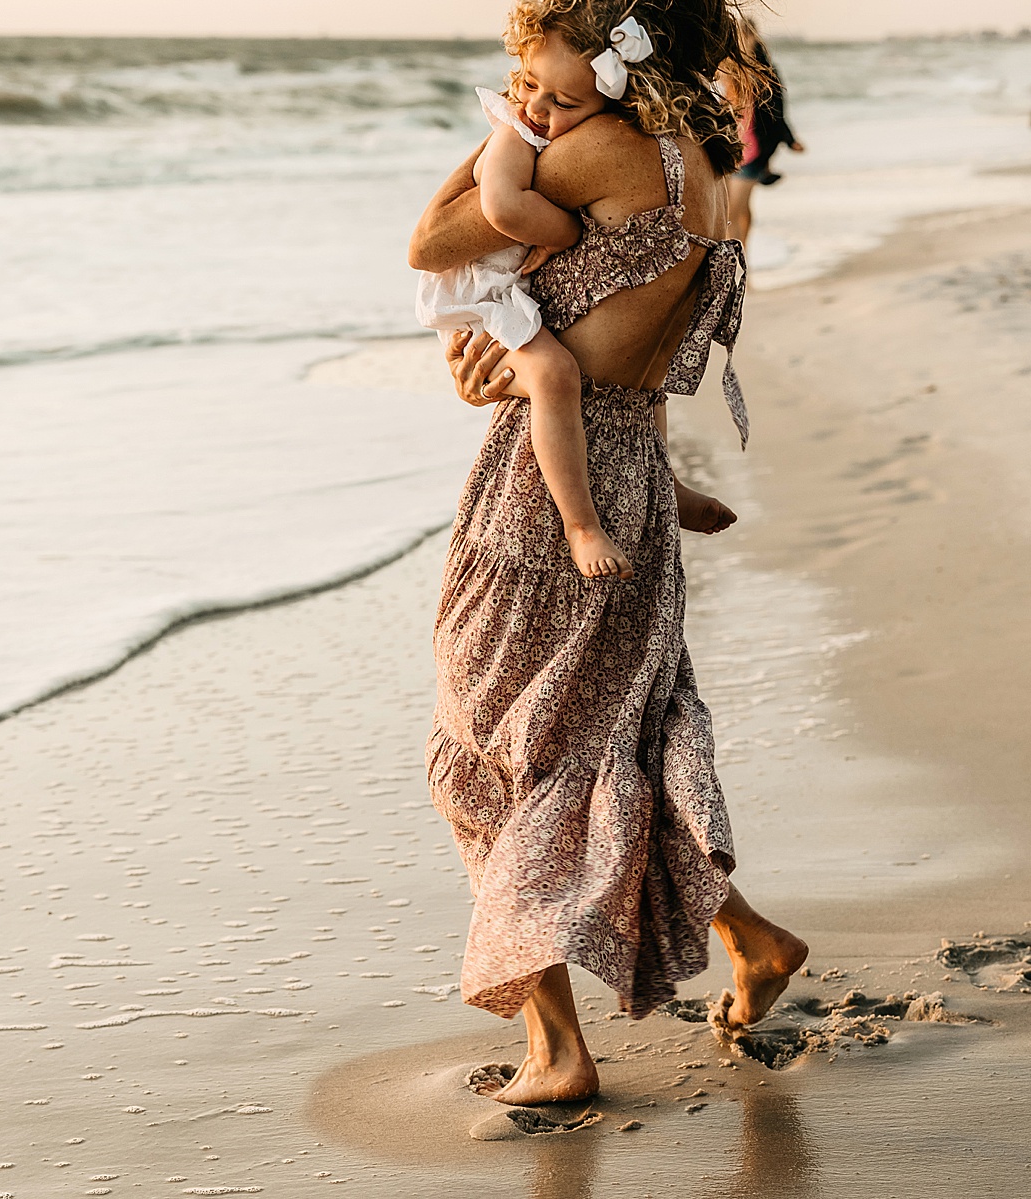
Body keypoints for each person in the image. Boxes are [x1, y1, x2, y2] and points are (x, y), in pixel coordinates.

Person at [406, 0, 809, 1107]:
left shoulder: (591, 148)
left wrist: (512, 130)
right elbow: (646, 347)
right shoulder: (719, 181)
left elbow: (432, 243)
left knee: (495, 752)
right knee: (603, 746)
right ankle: (757, 938)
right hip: (627, 472)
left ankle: (559, 1051)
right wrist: (661, 486)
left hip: (545, 490)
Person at [416, 86, 632, 580]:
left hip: (508, 290)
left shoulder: (579, 141)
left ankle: (670, 483)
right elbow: (503, 211)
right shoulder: (516, 135)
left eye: (564, 102)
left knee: (634, 373)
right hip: (481, 299)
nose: (537, 107)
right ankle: (581, 525)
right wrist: (567, 233)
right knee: (555, 374)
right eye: (529, 85)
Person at [723, 19, 805, 244]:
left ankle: (738, 265)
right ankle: (744, 257)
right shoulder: (725, 68)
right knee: (739, 208)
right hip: (729, 150)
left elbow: (777, 108)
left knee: (729, 214)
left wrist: (790, 139)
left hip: (752, 152)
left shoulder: (764, 68)